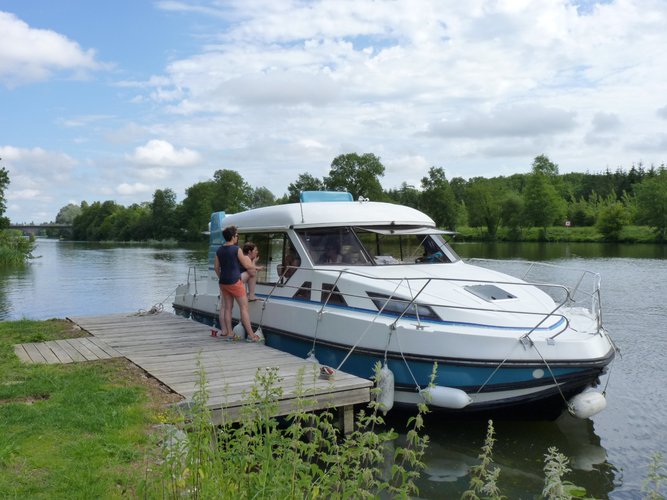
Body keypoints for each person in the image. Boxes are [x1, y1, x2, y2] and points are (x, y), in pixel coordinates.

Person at [214, 226, 262, 342]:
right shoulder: (236, 249)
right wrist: (254, 264)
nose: (237, 237)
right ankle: (251, 335)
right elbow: (247, 265)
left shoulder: (219, 250)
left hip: (223, 282)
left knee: (228, 308)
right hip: (235, 282)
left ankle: (230, 334)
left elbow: (216, 268)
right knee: (244, 308)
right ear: (232, 237)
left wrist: (222, 278)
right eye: (236, 235)